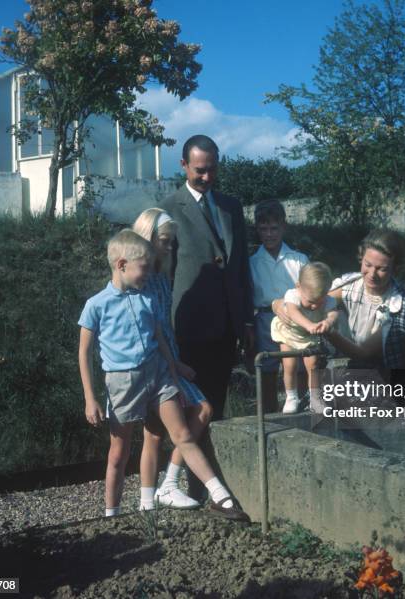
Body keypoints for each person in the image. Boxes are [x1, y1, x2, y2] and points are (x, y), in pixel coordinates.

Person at [78, 229, 249, 520]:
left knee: (182, 433)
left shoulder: (147, 299)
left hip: (158, 376)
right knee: (119, 453)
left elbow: (160, 342)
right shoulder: (97, 304)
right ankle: (111, 515)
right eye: (143, 269)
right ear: (121, 265)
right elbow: (84, 353)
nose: (148, 275)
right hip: (122, 382)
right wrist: (90, 398)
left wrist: (174, 378)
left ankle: (221, 496)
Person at [159, 135, 253, 500]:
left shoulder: (232, 207)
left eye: (212, 169)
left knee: (217, 401)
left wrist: (245, 321)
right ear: (183, 165)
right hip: (190, 327)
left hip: (227, 325)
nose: (207, 176)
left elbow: (240, 266)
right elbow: (164, 277)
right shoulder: (169, 208)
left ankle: (206, 485)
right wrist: (165, 331)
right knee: (194, 409)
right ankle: (182, 485)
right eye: (200, 170)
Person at [274, 230, 405, 391]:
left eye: (381, 269)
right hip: (363, 373)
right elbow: (315, 297)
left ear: (395, 269)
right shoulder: (352, 285)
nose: (371, 274)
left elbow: (363, 353)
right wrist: (279, 304)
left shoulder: (398, 307)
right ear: (361, 258)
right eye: (367, 265)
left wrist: (329, 331)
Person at [132, 208, 214, 509]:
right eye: (164, 241)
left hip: (169, 359)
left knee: (167, 426)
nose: (169, 247)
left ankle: (160, 491)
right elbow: (145, 330)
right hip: (156, 363)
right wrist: (174, 364)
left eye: (171, 241)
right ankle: (156, 494)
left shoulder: (161, 277)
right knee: (165, 427)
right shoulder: (139, 281)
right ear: (147, 238)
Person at [250, 199, 309, 413]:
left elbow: (309, 291)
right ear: (257, 229)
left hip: (296, 322)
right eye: (263, 228)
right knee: (267, 372)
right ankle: (269, 419)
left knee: (299, 370)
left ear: (283, 226)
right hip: (266, 322)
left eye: (274, 228)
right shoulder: (252, 263)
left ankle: (302, 413)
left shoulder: (299, 260)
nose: (269, 234)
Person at [271, 262, 338, 413]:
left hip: (309, 335)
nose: (314, 306)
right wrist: (309, 325)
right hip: (289, 332)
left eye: (319, 302)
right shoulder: (292, 295)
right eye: (310, 301)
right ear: (298, 286)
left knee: (313, 365)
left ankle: (315, 398)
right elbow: (294, 313)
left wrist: (328, 321)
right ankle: (291, 397)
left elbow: (333, 312)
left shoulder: (328, 299)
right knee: (289, 365)